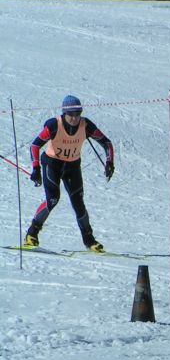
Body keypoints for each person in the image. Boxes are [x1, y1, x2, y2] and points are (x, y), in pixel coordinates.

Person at [24, 95, 115, 252]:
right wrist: (36, 168)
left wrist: (109, 162)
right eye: (71, 114)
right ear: (64, 113)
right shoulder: (54, 125)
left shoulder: (86, 125)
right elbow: (35, 145)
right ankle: (32, 233)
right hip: (52, 164)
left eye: (77, 114)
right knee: (52, 199)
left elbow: (106, 143)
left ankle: (89, 240)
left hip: (72, 167)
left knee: (78, 203)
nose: (74, 118)